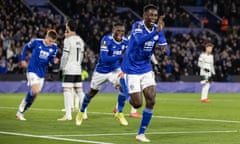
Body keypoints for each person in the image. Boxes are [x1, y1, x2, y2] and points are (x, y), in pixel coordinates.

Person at [121, 4, 168, 142]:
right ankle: (123, 84)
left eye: (155, 15)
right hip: (132, 68)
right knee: (136, 104)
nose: (153, 17)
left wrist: (165, 50)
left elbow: (164, 46)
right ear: (144, 16)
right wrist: (156, 32)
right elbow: (139, 40)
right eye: (150, 15)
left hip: (146, 67)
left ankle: (141, 134)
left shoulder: (158, 29)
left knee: (151, 99)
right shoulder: (138, 26)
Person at [76, 23, 130, 126]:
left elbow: (130, 53)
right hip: (101, 71)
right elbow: (105, 58)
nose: (120, 33)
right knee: (91, 93)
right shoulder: (106, 40)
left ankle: (120, 112)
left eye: (122, 31)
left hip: (115, 70)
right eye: (118, 31)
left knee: (124, 83)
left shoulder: (125, 41)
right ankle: (81, 111)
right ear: (113, 30)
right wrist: (121, 56)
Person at [16, 29, 59, 120]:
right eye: (50, 41)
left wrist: (54, 61)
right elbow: (25, 47)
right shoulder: (36, 42)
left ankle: (21, 112)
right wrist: (23, 59)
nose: (51, 43)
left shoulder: (54, 47)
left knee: (34, 95)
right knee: (35, 91)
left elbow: (50, 60)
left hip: (42, 73)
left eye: (53, 42)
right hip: (32, 69)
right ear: (46, 37)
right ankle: (21, 107)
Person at [58, 20, 87, 121]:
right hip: (78, 68)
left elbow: (65, 56)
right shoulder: (80, 40)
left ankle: (68, 115)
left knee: (67, 91)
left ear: (68, 27)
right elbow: (82, 55)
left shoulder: (68, 40)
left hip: (69, 68)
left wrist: (61, 67)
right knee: (80, 91)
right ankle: (84, 114)